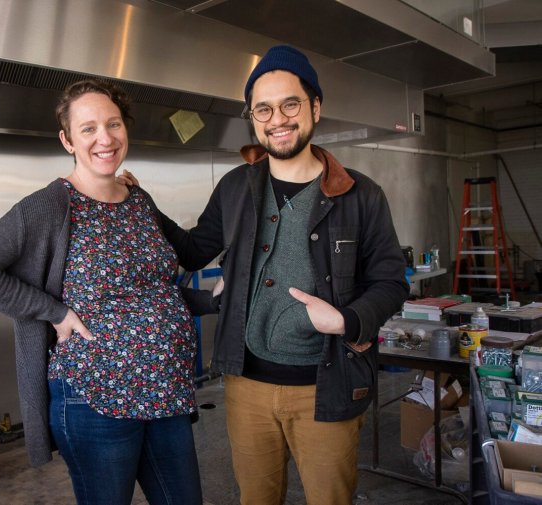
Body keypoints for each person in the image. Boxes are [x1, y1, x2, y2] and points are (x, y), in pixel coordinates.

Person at [158, 45, 410, 505]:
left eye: (290, 103)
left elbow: (391, 281)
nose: (278, 118)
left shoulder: (360, 195)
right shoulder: (237, 185)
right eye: (264, 109)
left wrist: (347, 321)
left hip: (326, 385)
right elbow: (194, 252)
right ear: (253, 117)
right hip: (246, 386)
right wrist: (139, 203)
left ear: (315, 106)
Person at [0, 79, 213, 505]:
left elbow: (153, 289)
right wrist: (53, 311)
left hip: (166, 391)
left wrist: (214, 301)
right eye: (88, 129)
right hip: (95, 397)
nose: (104, 138)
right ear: (67, 139)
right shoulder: (49, 206)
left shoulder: (138, 199)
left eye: (113, 124)